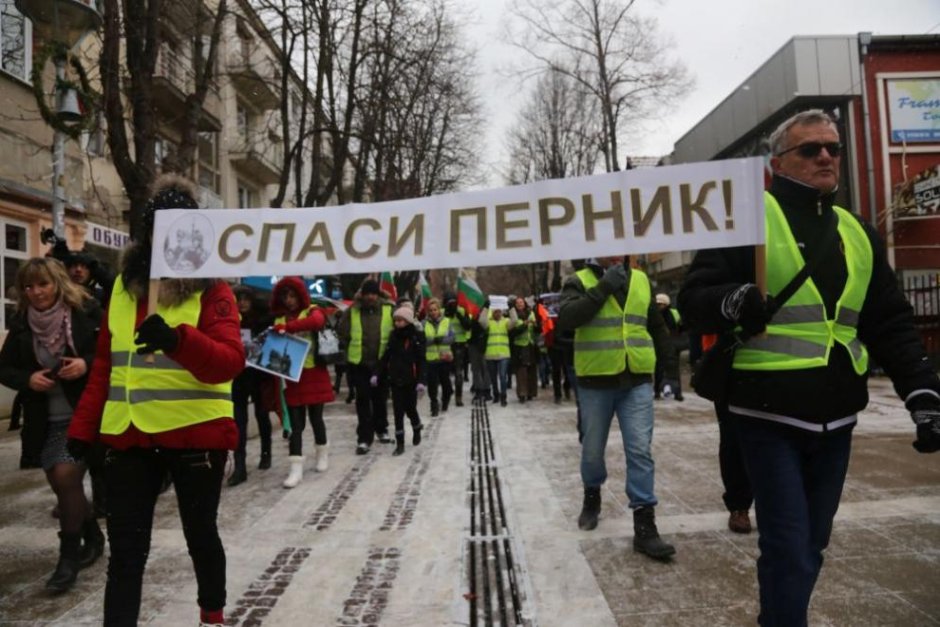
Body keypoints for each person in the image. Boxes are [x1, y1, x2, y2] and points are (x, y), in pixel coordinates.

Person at [678, 109, 940, 626]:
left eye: (833, 148)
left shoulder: (858, 233)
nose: (826, 156)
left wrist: (923, 394)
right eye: (810, 148)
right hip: (766, 416)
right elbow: (693, 299)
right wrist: (734, 300)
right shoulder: (748, 222)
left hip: (838, 417)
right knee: (790, 545)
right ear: (778, 163)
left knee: (812, 544)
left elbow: (889, 321)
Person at [65, 174, 243, 626]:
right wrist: (84, 430)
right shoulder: (125, 289)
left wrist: (178, 341)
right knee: (126, 551)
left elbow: (228, 362)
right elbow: (106, 365)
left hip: (195, 437)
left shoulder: (213, 289)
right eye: (159, 227)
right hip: (130, 437)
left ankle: (212, 615)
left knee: (200, 535)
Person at [557, 255, 676, 561]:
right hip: (595, 381)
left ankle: (645, 523)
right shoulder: (578, 280)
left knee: (639, 449)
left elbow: (656, 325)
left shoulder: (640, 279)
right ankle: (592, 495)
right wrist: (604, 287)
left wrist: (670, 367)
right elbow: (568, 318)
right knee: (593, 449)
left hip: (636, 379)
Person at [0, 257, 105, 592]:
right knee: (64, 486)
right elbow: (4, 369)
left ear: (57, 283)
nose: (36, 292)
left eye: (42, 284)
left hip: (87, 413)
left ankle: (67, 559)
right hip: (45, 421)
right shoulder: (21, 321)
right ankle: (93, 534)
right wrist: (28, 378)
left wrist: (85, 365)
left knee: (65, 475)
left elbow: (113, 351)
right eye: (29, 286)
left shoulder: (85, 311)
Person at [270, 276, 335, 488]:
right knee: (295, 425)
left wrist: (288, 328)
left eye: (292, 295)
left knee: (317, 418)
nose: (289, 300)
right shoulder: (278, 320)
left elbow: (317, 322)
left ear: (300, 295)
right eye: (285, 296)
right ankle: (295, 468)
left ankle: (322, 452)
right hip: (292, 376)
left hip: (314, 371)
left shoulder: (313, 310)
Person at [338, 279, 394, 454]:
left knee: (380, 399)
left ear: (377, 295)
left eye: (373, 293)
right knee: (362, 401)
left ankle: (381, 429)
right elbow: (342, 332)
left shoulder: (388, 309)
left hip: (381, 363)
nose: (370, 297)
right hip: (359, 364)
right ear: (362, 295)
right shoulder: (353, 310)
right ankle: (364, 438)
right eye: (367, 293)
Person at [228, 285, 274, 487]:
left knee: (261, 415)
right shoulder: (229, 322)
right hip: (238, 376)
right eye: (239, 299)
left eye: (246, 298)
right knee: (239, 421)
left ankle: (266, 451)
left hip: (258, 375)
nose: (243, 302)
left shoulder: (262, 321)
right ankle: (240, 466)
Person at [375, 305, 426, 455]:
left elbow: (421, 360)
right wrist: (377, 373)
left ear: (408, 321)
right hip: (395, 379)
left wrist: (421, 380)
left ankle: (417, 427)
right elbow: (386, 357)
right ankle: (400, 444)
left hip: (411, 380)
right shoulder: (393, 336)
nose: (398, 323)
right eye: (396, 320)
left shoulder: (416, 337)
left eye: (401, 320)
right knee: (398, 412)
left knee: (410, 409)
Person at [423, 298, 455, 417]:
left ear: (439, 310)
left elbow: (452, 338)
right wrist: (432, 341)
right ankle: (434, 405)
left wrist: (441, 339)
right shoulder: (424, 323)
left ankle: (445, 400)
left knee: (446, 385)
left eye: (435, 309)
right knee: (432, 385)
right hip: (431, 359)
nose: (433, 312)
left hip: (444, 358)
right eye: (430, 310)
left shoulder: (447, 321)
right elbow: (422, 341)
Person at [654, 293, 684, 401]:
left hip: (673, 345)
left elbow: (681, 328)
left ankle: (678, 393)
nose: (659, 306)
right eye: (657, 304)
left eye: (661, 304)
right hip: (659, 345)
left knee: (675, 369)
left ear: (666, 304)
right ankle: (657, 391)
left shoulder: (674, 313)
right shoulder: (655, 314)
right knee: (658, 369)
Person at [508, 296, 539, 403]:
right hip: (519, 347)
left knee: (531, 370)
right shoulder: (513, 316)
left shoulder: (531, 313)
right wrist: (524, 325)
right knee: (522, 371)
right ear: (515, 305)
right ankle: (522, 393)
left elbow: (537, 329)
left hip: (531, 345)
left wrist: (536, 326)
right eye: (518, 303)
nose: (520, 304)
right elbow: (513, 332)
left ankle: (531, 392)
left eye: (522, 302)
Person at [443, 292, 472, 407]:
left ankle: (458, 397)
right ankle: (448, 391)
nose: (451, 305)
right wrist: (447, 313)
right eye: (449, 303)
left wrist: (458, 315)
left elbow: (468, 326)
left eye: (453, 302)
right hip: (445, 345)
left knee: (458, 372)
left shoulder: (462, 310)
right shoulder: (441, 312)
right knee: (444, 372)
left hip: (459, 344)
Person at [481, 302, 511, 407]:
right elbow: (481, 321)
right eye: (495, 312)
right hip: (491, 354)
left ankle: (503, 396)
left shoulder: (506, 321)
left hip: (504, 354)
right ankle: (496, 394)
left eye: (499, 311)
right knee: (493, 377)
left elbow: (515, 321)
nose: (497, 313)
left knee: (503, 376)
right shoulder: (489, 323)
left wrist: (511, 308)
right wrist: (485, 308)